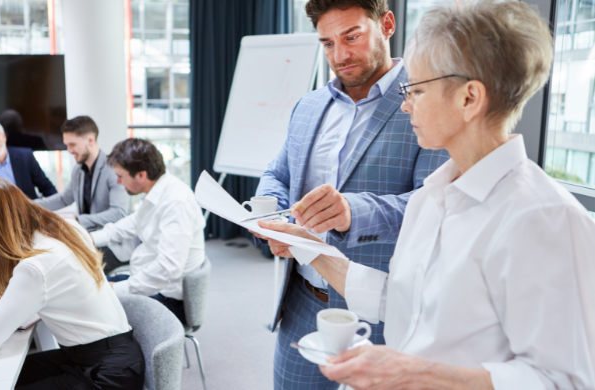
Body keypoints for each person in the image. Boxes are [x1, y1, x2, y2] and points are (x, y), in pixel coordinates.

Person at [259, 1, 595, 388]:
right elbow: (405, 301)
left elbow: (568, 381)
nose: (404, 103)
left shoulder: (547, 220)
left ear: (469, 98)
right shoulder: (432, 197)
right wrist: (310, 248)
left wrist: (423, 374)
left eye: (416, 89)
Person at [251, 0, 448, 388]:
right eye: (327, 43)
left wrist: (353, 213)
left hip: (382, 309)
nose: (340, 55)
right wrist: (274, 219)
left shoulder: (427, 103)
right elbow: (277, 173)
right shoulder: (308, 107)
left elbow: (435, 205)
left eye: (352, 37)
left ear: (387, 24)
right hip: (303, 302)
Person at [0, 174, 144, 389]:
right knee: (6, 375)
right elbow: (47, 285)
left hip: (106, 375)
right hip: (113, 359)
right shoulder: (66, 229)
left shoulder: (35, 268)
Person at [90, 139, 205, 325]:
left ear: (141, 175)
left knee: (91, 305)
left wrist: (119, 288)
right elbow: (133, 223)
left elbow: (168, 267)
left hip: (168, 299)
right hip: (151, 282)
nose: (118, 181)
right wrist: (90, 238)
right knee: (90, 289)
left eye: (121, 176)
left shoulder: (176, 202)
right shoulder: (158, 190)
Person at [35, 116, 129, 232]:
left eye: (72, 144)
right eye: (67, 145)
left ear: (90, 141)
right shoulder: (78, 169)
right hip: (86, 237)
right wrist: (30, 205)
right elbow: (65, 199)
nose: (69, 150)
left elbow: (118, 213)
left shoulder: (113, 169)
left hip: (111, 243)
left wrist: (78, 220)